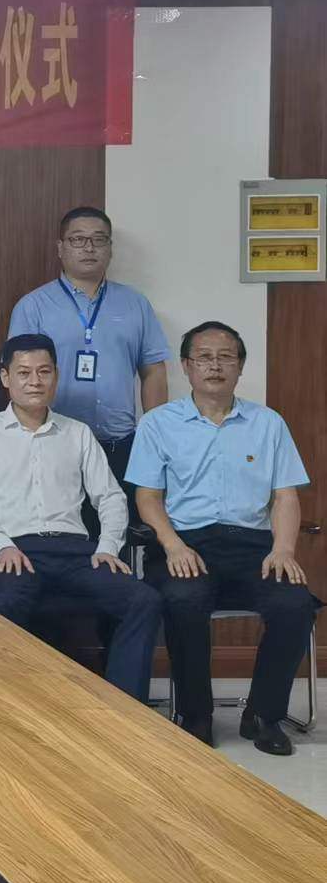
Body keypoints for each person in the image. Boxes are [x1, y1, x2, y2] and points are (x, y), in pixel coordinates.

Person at [127, 321, 319, 755]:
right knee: (183, 599)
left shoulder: (268, 423)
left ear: (240, 365)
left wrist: (283, 549)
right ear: (186, 366)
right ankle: (195, 714)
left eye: (225, 357)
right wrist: (172, 545)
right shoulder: (158, 424)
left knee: (295, 604)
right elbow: (148, 497)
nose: (214, 365)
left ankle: (264, 715)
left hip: (252, 546)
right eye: (204, 357)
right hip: (186, 543)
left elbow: (285, 496)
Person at [0, 334, 161, 703]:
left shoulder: (77, 433)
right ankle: (7, 709)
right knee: (0, 607)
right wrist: (2, 545)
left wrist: (107, 547)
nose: (34, 381)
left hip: (77, 553)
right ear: (5, 378)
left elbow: (111, 497)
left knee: (142, 600)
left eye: (44, 372)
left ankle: (124, 712)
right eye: (23, 373)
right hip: (16, 551)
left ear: (56, 375)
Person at [8, 207, 168, 486]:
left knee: (121, 513)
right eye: (78, 239)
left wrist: (153, 435)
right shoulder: (33, 306)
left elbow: (153, 371)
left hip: (120, 444)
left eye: (99, 239)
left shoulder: (136, 304)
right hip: (53, 442)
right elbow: (18, 375)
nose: (89, 247)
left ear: (110, 248)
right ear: (60, 248)